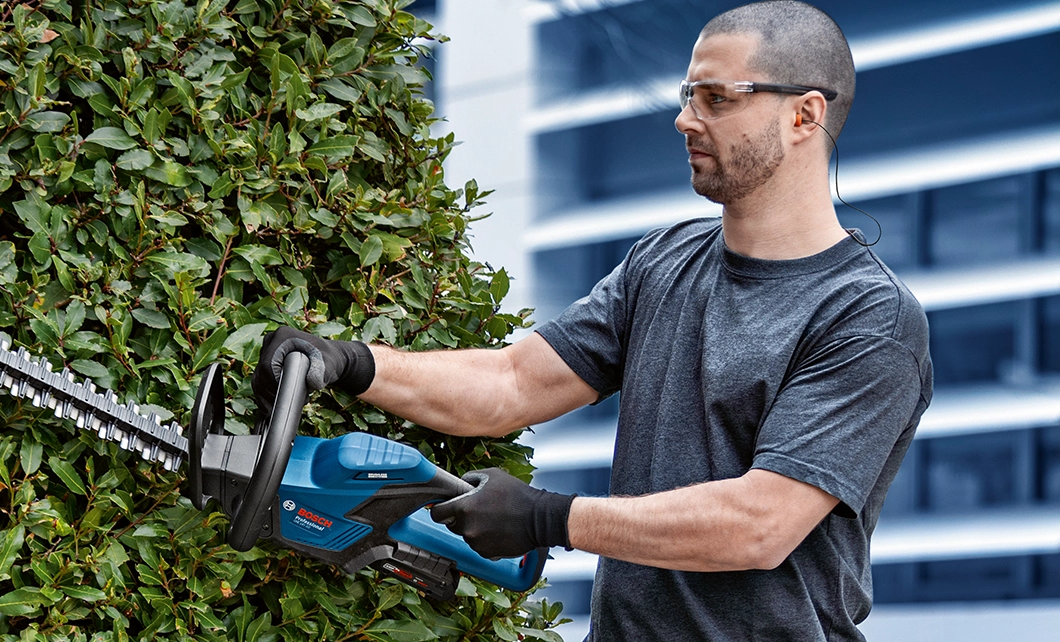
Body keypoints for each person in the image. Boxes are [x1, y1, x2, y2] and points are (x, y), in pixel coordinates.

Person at [251, 2, 930, 639]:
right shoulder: (665, 261)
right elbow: (514, 382)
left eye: (716, 99)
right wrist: (352, 362)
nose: (685, 120)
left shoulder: (867, 317)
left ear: (805, 116)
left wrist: (551, 517)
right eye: (688, 95)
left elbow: (759, 525)